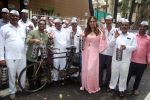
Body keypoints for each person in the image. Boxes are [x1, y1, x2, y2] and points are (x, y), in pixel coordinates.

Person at [0, 10, 26, 100]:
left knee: (22, 73)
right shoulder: (4, 28)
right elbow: (1, 44)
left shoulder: (23, 27)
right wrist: (1, 58)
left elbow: (24, 41)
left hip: (22, 55)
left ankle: (22, 88)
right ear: (9, 16)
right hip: (10, 57)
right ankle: (12, 92)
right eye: (12, 16)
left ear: (19, 17)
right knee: (11, 75)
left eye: (16, 16)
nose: (14, 17)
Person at [108, 19, 137, 97]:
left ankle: (122, 89)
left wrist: (126, 47)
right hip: (116, 59)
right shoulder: (117, 34)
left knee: (123, 75)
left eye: (126, 25)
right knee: (114, 74)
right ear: (120, 26)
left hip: (125, 60)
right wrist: (114, 37)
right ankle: (112, 87)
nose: (124, 26)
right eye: (123, 25)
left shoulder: (132, 36)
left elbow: (135, 47)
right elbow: (110, 45)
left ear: (128, 26)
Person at [80, 16, 107, 94]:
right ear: (88, 23)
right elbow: (83, 41)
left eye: (93, 21)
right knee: (85, 69)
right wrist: (82, 36)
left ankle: (92, 87)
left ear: (96, 22)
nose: (92, 23)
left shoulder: (99, 31)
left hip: (94, 54)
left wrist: (104, 32)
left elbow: (104, 41)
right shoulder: (86, 31)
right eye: (90, 21)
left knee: (91, 70)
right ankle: (85, 85)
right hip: (86, 53)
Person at [127, 21, 150, 95]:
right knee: (127, 75)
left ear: (147, 28)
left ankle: (135, 89)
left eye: (145, 27)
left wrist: (149, 60)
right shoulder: (133, 36)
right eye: (141, 26)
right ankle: (123, 87)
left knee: (138, 77)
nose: (142, 28)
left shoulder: (149, 39)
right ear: (139, 26)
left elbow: (149, 51)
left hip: (142, 62)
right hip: (131, 60)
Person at [26, 19, 49, 89]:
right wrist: (34, 40)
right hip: (31, 55)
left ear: (45, 25)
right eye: (40, 24)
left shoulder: (46, 35)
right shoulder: (33, 32)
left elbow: (46, 44)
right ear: (38, 25)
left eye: (43, 24)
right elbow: (27, 40)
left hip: (40, 56)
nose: (42, 25)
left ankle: (39, 84)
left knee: (39, 71)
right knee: (30, 71)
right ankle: (31, 85)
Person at [99, 15, 116, 90]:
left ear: (112, 21)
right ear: (105, 21)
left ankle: (107, 83)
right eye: (107, 20)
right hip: (102, 52)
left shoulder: (115, 30)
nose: (108, 21)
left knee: (109, 70)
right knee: (100, 68)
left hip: (111, 53)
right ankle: (100, 82)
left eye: (110, 20)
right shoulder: (102, 29)